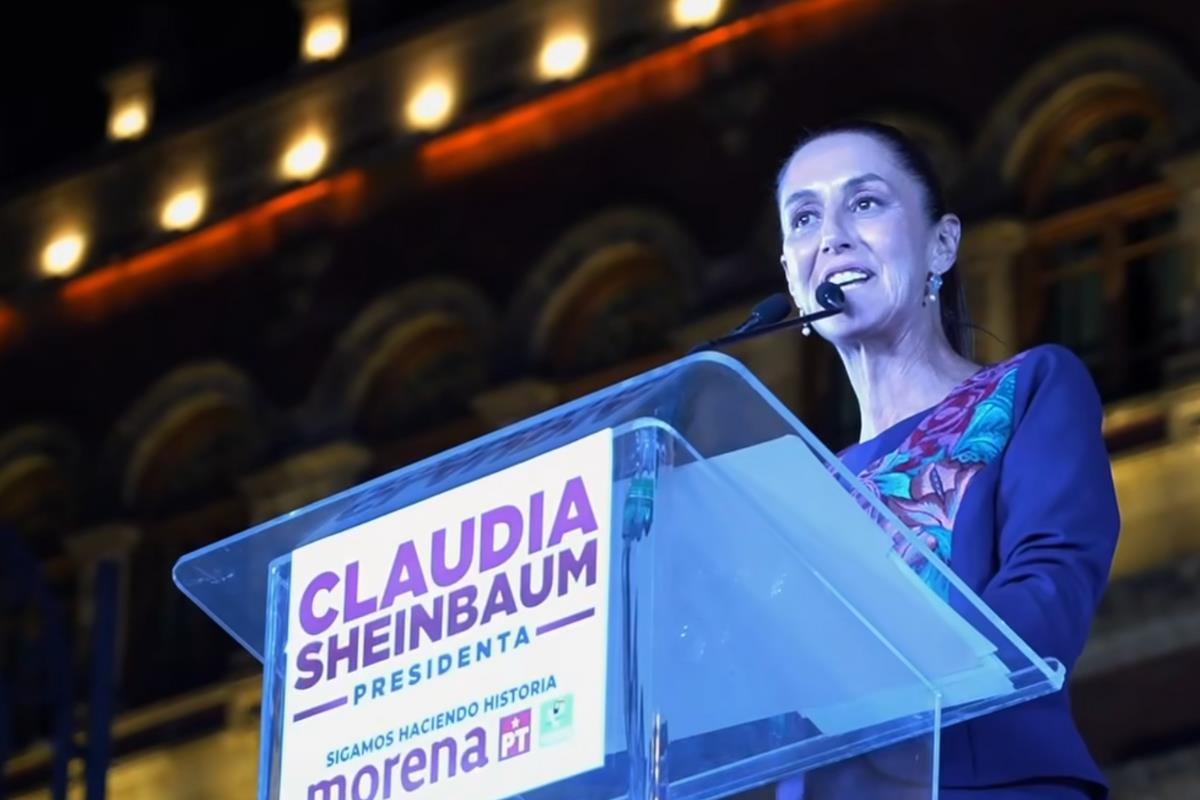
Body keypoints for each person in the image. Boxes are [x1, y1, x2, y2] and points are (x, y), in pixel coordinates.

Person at [771, 121, 1121, 799]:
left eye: (866, 203)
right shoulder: (796, 492)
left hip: (990, 782)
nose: (833, 236)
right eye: (805, 217)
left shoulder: (1029, 389)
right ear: (791, 279)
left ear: (942, 244)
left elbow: (1050, 582)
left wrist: (908, 709)